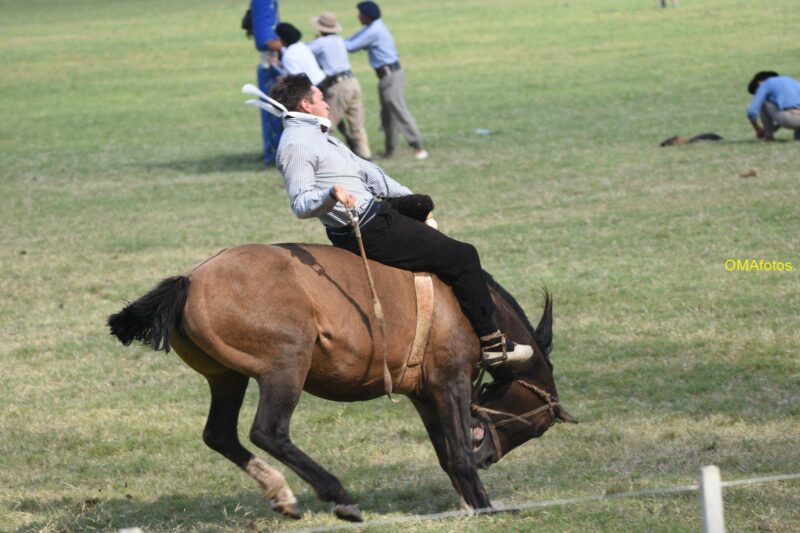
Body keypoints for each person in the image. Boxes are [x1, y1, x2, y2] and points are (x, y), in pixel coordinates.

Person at [269, 74, 533, 367]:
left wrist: (412, 200)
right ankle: (493, 342)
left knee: (424, 209)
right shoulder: (295, 145)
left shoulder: (319, 136)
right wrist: (330, 195)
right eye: (321, 98)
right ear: (306, 105)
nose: (328, 104)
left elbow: (369, 173)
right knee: (464, 255)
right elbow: (301, 203)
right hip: (369, 229)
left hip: (378, 214)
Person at [345, 1, 428, 160]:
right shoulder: (371, 27)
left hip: (391, 76)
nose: (358, 16)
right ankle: (390, 150)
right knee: (388, 115)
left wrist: (327, 43)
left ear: (367, 16)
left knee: (398, 110)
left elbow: (351, 46)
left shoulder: (374, 31)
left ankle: (417, 146)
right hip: (385, 76)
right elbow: (348, 41)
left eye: (360, 14)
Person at [308, 12, 372, 160]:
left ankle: (320, 157)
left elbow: (304, 51)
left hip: (338, 85)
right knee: (357, 124)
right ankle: (365, 156)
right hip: (352, 82)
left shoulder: (321, 42)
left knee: (327, 124)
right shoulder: (339, 40)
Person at [248, 0, 283, 164]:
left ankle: (275, 152)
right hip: (270, 66)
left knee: (276, 112)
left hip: (273, 65)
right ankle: (274, 153)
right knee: (273, 112)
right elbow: (264, 40)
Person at [746, 71, 800, 141]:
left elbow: (751, 112)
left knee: (764, 102)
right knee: (797, 139)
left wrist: (757, 129)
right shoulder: (792, 81)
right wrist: (775, 128)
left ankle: (768, 136)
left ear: (759, 83)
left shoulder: (765, 84)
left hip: (791, 119)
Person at [272, 23, 326, 87]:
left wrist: (275, 66)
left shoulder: (288, 55)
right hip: (323, 80)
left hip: (313, 86)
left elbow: (297, 80)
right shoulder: (301, 45)